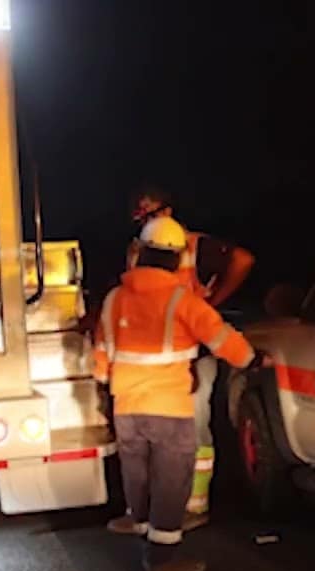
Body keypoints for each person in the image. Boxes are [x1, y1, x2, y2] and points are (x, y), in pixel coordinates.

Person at [93, 216, 265, 571]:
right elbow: (221, 339)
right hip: (168, 406)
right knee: (172, 480)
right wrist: (253, 360)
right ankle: (161, 559)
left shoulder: (114, 299)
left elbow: (102, 351)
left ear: (140, 253)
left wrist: (104, 389)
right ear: (176, 260)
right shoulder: (182, 301)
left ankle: (140, 523)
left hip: (126, 404)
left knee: (136, 472)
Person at [108, 186, 255, 532]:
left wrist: (213, 302)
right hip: (153, 366)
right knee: (146, 446)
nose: (144, 220)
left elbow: (243, 260)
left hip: (192, 355)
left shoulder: (194, 244)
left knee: (194, 428)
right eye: (139, 216)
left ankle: (193, 505)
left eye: (149, 213)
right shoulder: (136, 250)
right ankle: (148, 514)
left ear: (169, 211)